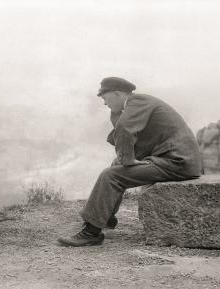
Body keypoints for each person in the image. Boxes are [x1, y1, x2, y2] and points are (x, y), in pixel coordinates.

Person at [57, 77, 203, 247]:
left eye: (105, 98)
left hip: (177, 162)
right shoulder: (135, 103)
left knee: (111, 176)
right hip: (173, 158)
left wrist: (128, 160)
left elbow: (125, 128)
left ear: (118, 94)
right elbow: (126, 131)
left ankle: (91, 233)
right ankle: (105, 219)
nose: (104, 103)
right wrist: (125, 158)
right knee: (115, 164)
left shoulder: (138, 102)